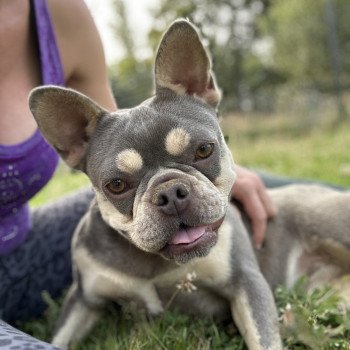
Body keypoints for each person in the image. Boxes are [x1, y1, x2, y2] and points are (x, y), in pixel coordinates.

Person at [0, 0, 275, 348]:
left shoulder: (58, 10)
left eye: (202, 151)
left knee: (264, 183)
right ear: (72, 145)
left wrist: (205, 166)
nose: (171, 196)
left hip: (20, 243)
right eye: (118, 184)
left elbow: (120, 136)